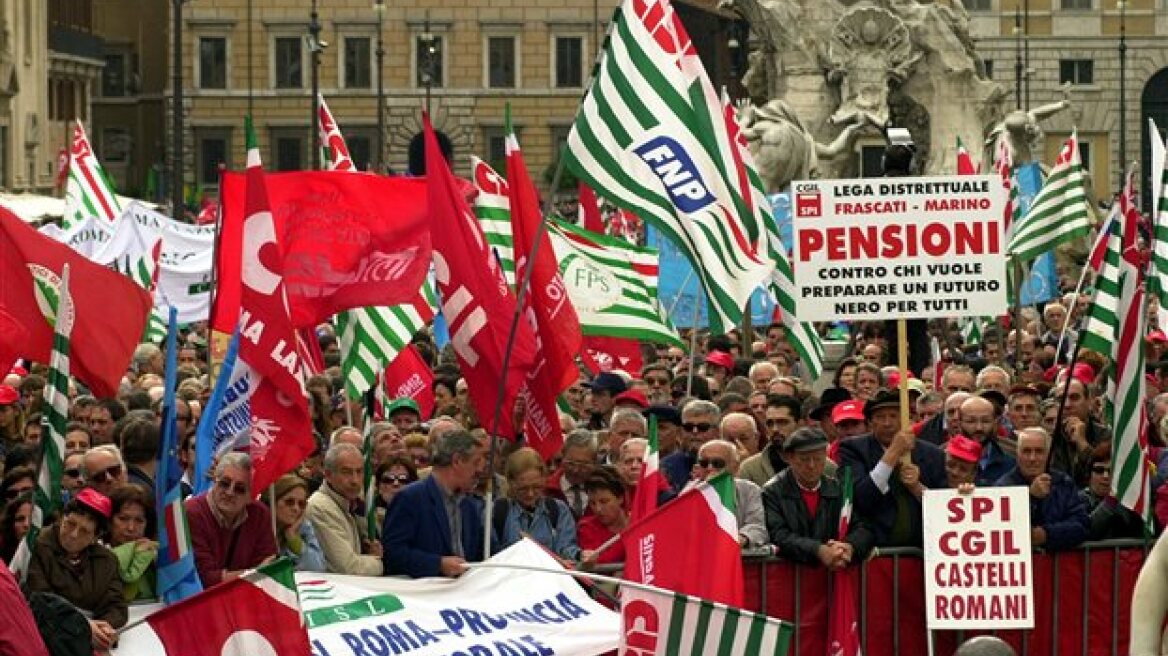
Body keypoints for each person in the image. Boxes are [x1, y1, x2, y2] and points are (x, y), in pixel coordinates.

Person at [837, 390, 946, 547]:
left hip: (922, 550)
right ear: (869, 423)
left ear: (907, 419)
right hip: (875, 551)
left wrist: (917, 487)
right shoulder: (853, 450)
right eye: (880, 417)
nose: (887, 423)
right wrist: (892, 454)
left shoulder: (932, 453)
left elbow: (942, 507)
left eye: (894, 416)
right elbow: (861, 498)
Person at [381, 429, 493, 578]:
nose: (480, 469)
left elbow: (482, 552)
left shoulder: (470, 505)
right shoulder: (410, 499)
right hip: (423, 595)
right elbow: (393, 555)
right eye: (476, 462)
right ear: (457, 461)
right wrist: (438, 564)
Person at [25, 488, 126, 651]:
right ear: (61, 518)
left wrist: (106, 629)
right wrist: (82, 625)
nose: (73, 534)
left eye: (84, 531)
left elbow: (116, 605)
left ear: (95, 537)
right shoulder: (38, 546)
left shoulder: (106, 561)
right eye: (70, 524)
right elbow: (40, 598)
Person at [763, 427, 874, 567]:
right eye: (804, 460)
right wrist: (818, 550)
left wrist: (849, 546)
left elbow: (862, 526)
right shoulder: (773, 492)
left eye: (818, 459)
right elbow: (778, 534)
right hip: (790, 574)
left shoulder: (838, 489)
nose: (811, 465)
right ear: (790, 458)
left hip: (834, 572)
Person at [185, 452, 278, 587]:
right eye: (224, 483)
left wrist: (257, 573)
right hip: (203, 600)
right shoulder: (192, 512)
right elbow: (205, 578)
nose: (229, 492)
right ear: (215, 481)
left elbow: (269, 566)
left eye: (239, 489)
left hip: (245, 598)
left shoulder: (260, 514)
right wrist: (255, 574)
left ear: (251, 496)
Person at [993, 427, 1089, 550]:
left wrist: (1046, 534)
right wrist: (1030, 497)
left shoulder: (1064, 482)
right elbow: (999, 531)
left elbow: (1082, 525)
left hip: (1057, 566)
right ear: (1017, 455)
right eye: (1026, 451)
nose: (1032, 458)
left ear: (1050, 456)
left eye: (1039, 451)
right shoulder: (1003, 487)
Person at [306, 443, 383, 575]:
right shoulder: (320, 507)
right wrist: (378, 561)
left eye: (359, 472)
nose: (355, 480)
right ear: (328, 474)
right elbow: (348, 568)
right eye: (346, 472)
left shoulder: (354, 503)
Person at [495, 447, 580, 562]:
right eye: (523, 489)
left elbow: (566, 549)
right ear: (510, 482)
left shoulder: (558, 510)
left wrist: (580, 556)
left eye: (536, 487)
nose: (530, 494)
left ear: (544, 479)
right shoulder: (497, 512)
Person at [690, 439, 768, 548]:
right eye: (704, 463)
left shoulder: (750, 490)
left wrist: (740, 538)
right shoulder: (688, 494)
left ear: (735, 467)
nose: (710, 468)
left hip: (737, 557)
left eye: (718, 463)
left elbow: (757, 526)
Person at [1079, 442, 1144, 540]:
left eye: (1111, 471)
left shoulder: (1129, 502)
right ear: (1089, 474)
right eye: (1099, 470)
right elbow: (1086, 531)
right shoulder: (1078, 499)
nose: (1105, 476)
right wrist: (1110, 502)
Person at [107, 484, 158, 601]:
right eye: (123, 518)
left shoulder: (156, 556)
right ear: (109, 520)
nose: (131, 528)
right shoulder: (94, 555)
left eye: (139, 521)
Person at [738, 395, 801, 488]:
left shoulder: (822, 466)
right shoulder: (750, 469)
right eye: (770, 423)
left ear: (799, 424)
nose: (775, 429)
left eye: (782, 422)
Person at [268, 474, 327, 572]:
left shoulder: (304, 526)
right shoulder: (260, 527)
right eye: (289, 502)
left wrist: (293, 538)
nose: (296, 508)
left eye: (301, 504)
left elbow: (318, 568)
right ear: (273, 501)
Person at [661, 399, 721, 492]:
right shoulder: (667, 466)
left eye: (702, 427)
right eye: (688, 427)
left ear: (717, 432)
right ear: (680, 432)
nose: (695, 431)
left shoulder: (728, 461)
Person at [577, 466, 628, 566]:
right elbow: (600, 563)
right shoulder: (586, 527)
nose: (598, 509)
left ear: (620, 498)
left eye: (604, 502)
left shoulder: (638, 522)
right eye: (592, 503)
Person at [544, 428, 597, 518]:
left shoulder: (604, 488)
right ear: (563, 456)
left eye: (583, 465)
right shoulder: (546, 490)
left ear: (595, 462)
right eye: (570, 463)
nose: (576, 470)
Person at [373, 457, 418, 528]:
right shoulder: (367, 516)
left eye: (403, 480)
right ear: (378, 487)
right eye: (388, 479)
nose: (396, 483)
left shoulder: (424, 514)